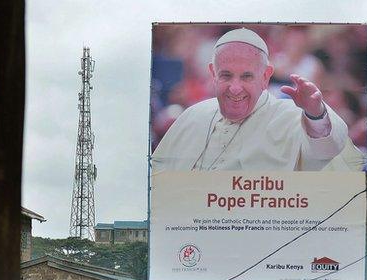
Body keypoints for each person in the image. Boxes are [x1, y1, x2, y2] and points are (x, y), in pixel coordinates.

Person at [150, 28, 354, 172]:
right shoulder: (192, 117)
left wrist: (315, 114)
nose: (235, 88)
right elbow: (159, 185)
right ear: (213, 73)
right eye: (226, 75)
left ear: (266, 76)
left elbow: (328, 151)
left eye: (247, 76)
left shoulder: (291, 114)